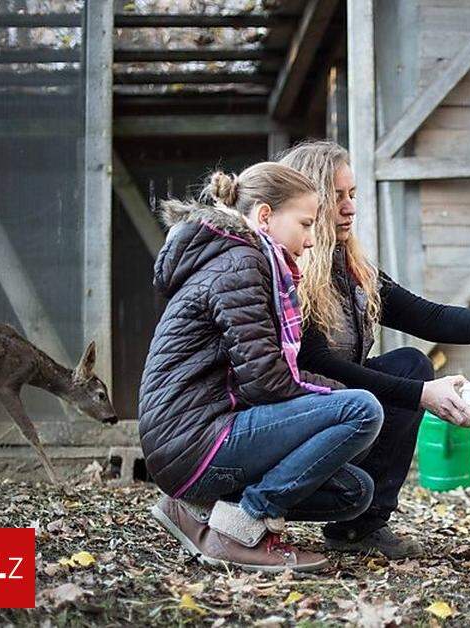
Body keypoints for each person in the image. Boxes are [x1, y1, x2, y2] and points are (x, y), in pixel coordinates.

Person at [277, 141, 470, 558]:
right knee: (410, 378)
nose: (349, 207)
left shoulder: (353, 269)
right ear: (308, 199)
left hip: (339, 409)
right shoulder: (289, 271)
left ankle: (360, 528)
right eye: (336, 196)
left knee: (411, 363)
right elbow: (317, 362)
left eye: (352, 195)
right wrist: (419, 394)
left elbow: (426, 317)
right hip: (295, 417)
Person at [138, 161, 385, 572]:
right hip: (196, 440)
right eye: (305, 225)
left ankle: (196, 512)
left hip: (200, 435)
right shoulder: (241, 263)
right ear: (266, 216)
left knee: (353, 492)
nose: (309, 242)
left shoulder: (246, 259)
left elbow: (260, 375)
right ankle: (239, 526)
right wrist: (338, 396)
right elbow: (267, 381)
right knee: (361, 411)